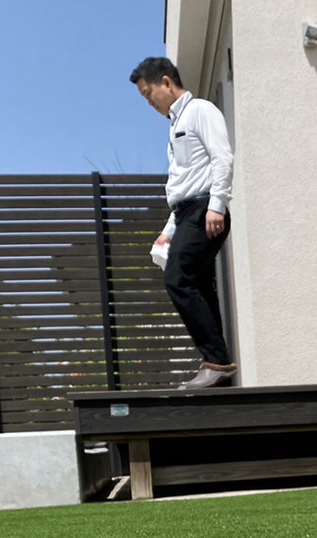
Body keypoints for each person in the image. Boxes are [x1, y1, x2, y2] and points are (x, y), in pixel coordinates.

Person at [131, 57, 237, 389]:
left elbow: (222, 157)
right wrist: (167, 232)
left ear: (166, 82)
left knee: (179, 279)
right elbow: (183, 186)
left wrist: (217, 205)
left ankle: (216, 362)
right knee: (200, 286)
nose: (150, 103)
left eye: (149, 94)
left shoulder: (201, 111)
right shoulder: (174, 127)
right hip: (188, 213)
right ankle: (218, 365)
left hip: (206, 209)